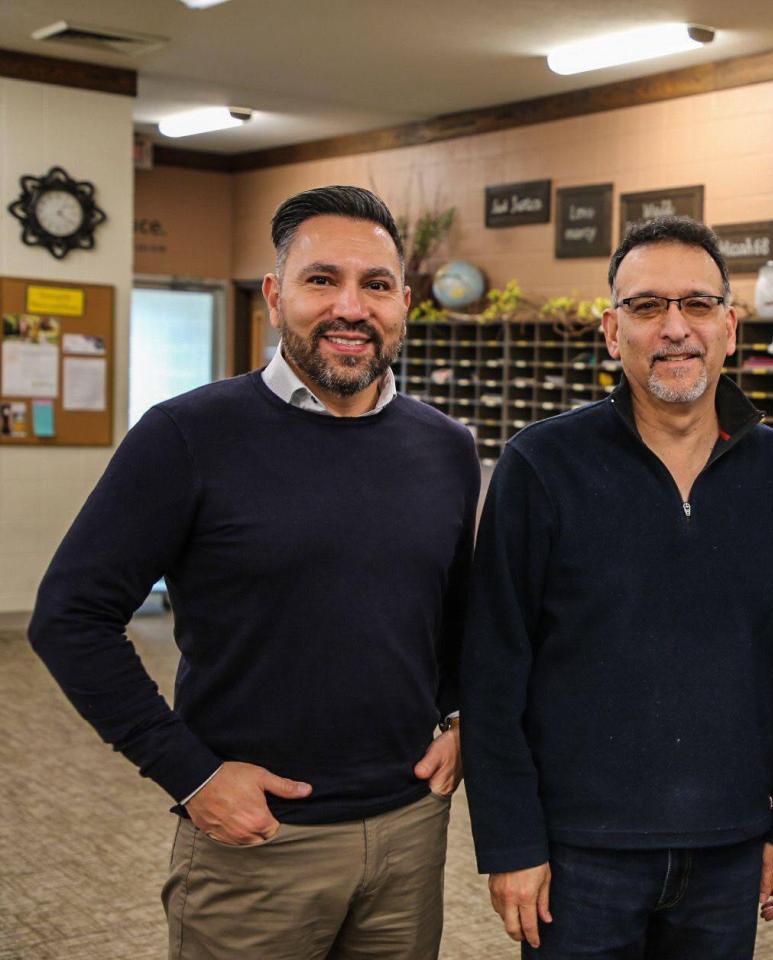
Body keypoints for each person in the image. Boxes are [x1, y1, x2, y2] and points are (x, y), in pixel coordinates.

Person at [29, 185, 480, 960]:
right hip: (257, 842)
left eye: (375, 285)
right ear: (275, 296)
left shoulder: (445, 447)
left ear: (403, 304)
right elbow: (69, 617)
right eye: (320, 280)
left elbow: (453, 610)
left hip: (410, 831)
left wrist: (463, 713)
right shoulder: (187, 436)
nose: (351, 306)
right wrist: (191, 775)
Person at [464, 215, 773, 959]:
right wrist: (509, 842)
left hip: (731, 845)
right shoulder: (541, 467)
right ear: (611, 330)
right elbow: (493, 671)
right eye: (646, 307)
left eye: (697, 305)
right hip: (580, 851)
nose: (675, 328)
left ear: (730, 327)